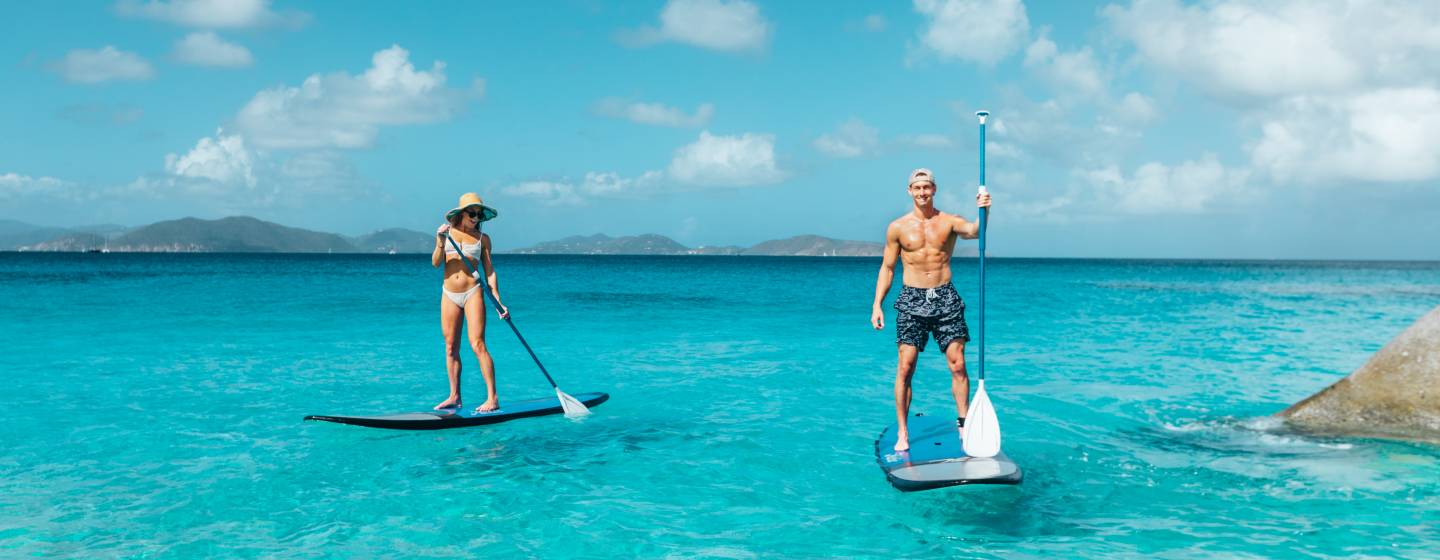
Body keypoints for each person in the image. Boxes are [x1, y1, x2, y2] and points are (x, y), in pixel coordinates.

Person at [871, 168, 991, 452]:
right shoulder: (897, 227)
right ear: (909, 191)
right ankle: (903, 431)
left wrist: (985, 209)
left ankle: (963, 425)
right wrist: (877, 304)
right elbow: (888, 268)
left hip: (945, 297)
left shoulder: (949, 221)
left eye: (927, 187)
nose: (922, 192)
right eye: (917, 187)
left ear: (934, 189)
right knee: (905, 367)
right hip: (911, 299)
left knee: (958, 364)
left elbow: (975, 232)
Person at [432, 192, 509, 413]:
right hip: (449, 293)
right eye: (472, 213)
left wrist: (498, 300)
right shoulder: (446, 233)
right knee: (450, 347)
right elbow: (436, 263)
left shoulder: (483, 239)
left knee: (477, 344)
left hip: (472, 292)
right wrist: (440, 241)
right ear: (462, 213)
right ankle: (454, 396)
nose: (476, 218)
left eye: (479, 214)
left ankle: (492, 398)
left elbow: (489, 270)